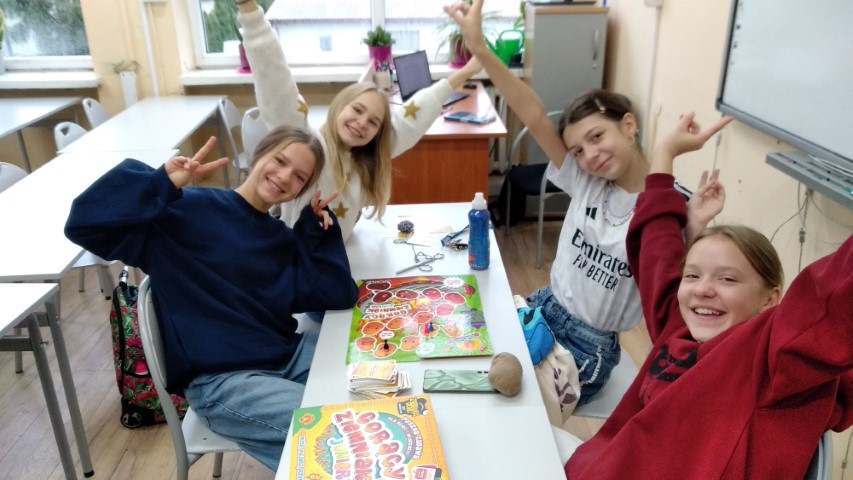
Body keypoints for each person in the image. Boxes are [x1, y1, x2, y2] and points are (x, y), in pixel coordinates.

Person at [445, 0, 709, 404]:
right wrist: (479, 49)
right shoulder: (587, 182)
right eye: (578, 150)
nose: (590, 155)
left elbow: (674, 289)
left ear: (629, 124)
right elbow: (534, 115)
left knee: (511, 401)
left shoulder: (666, 210)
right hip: (544, 306)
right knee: (469, 356)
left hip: (588, 346)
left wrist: (696, 229)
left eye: (597, 137)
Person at [562, 112, 853, 478]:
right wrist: (665, 155)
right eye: (692, 275)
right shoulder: (680, 328)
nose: (702, 289)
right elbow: (658, 253)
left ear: (769, 300)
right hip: (600, 465)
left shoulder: (769, 359)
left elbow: (832, 300)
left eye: (727, 279)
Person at [64, 131, 359, 471]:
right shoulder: (182, 211)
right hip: (224, 381)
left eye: (299, 177)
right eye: (279, 161)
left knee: (379, 382)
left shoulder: (280, 237)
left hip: (286, 358)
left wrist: (317, 232)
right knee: (343, 432)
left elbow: (336, 296)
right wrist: (160, 183)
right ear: (258, 154)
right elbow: (83, 223)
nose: (284, 177)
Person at [237, 0, 483, 240]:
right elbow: (277, 85)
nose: (362, 122)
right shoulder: (311, 149)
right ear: (339, 106)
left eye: (373, 122)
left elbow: (409, 122)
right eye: (357, 109)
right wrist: (248, 8)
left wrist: (467, 71)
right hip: (296, 258)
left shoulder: (364, 158)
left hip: (337, 255)